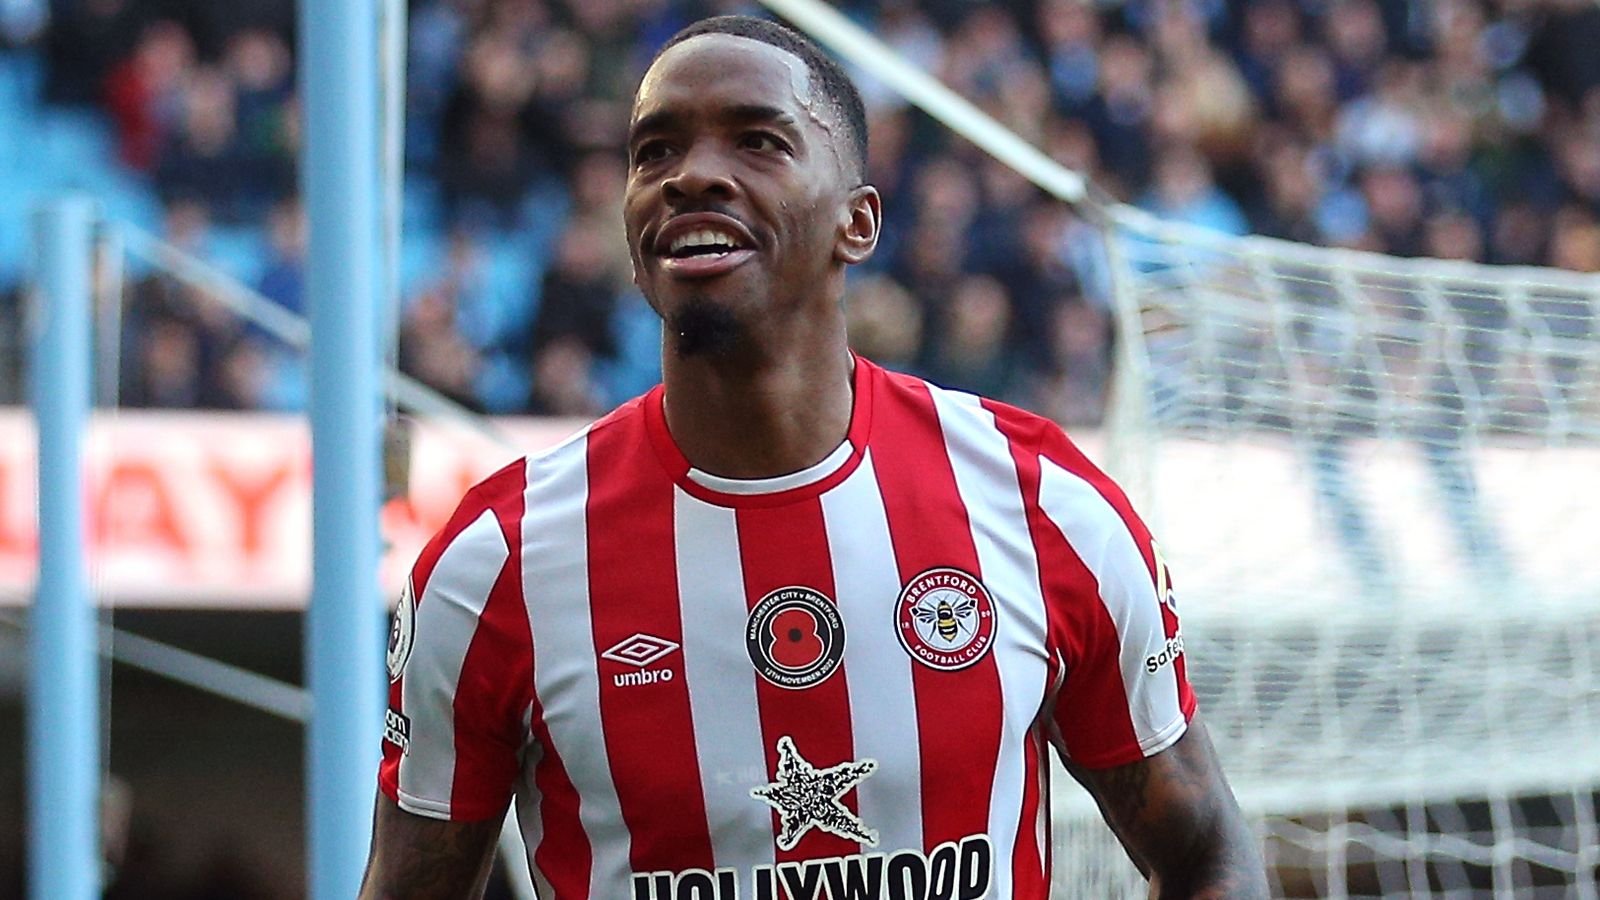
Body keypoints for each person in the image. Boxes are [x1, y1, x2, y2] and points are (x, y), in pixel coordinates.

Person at [360, 16, 1267, 899]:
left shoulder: (1041, 507)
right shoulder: (498, 564)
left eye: (758, 142)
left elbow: (1207, 851)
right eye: (655, 152)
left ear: (857, 224)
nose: (692, 176)